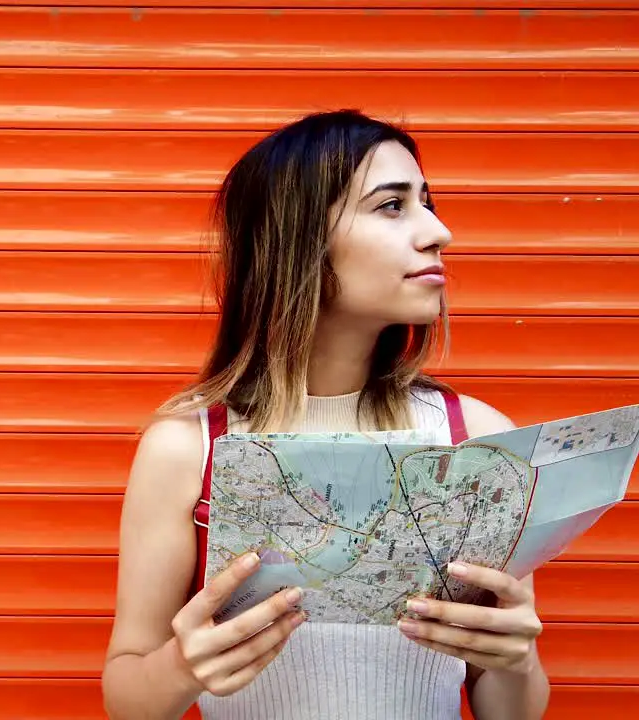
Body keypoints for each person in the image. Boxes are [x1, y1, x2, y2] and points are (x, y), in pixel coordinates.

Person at [101, 110, 550, 720]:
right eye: (392, 206)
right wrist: (182, 668)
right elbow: (127, 696)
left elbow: (511, 711)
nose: (438, 231)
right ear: (300, 238)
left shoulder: (477, 438)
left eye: (427, 201)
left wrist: (516, 661)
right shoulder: (188, 447)